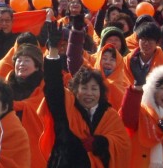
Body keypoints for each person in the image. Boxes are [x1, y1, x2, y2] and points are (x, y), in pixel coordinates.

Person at [40, 23, 131, 168]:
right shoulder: (66, 108)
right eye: (84, 88)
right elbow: (53, 86)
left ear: (101, 92)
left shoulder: (109, 115)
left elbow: (123, 144)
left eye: (94, 89)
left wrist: (101, 142)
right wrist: (53, 50)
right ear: (75, 90)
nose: (89, 93)